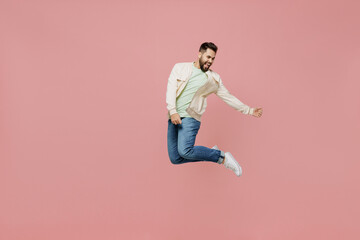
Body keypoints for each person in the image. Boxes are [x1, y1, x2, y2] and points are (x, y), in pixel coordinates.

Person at [166, 42, 263, 176]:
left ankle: (222, 157)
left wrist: (249, 110)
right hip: (173, 116)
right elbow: (171, 89)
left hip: (190, 117)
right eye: (208, 57)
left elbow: (228, 97)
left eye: (213, 59)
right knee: (175, 158)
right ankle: (212, 154)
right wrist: (173, 111)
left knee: (185, 151)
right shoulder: (180, 68)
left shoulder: (213, 79)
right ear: (199, 54)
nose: (210, 61)